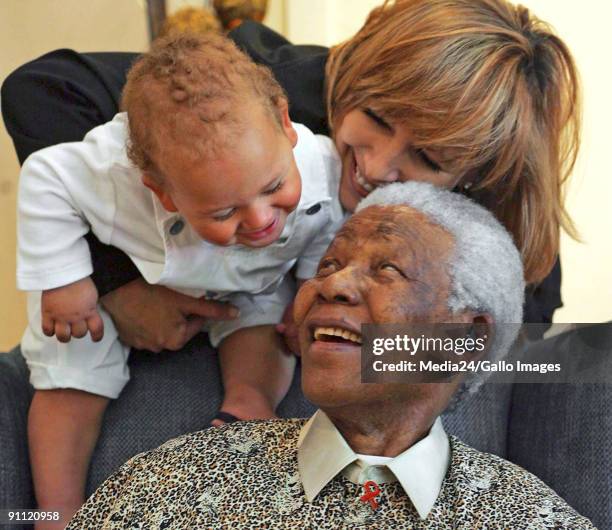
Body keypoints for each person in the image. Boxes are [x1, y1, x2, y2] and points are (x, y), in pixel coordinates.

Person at [1, 0, 581, 358]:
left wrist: (379, 352)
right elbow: (44, 89)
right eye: (374, 120)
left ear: (478, 173)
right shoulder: (266, 97)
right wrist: (116, 283)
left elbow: (526, 331)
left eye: (428, 159)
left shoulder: (500, 186)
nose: (375, 168)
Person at [65, 182, 595, 529]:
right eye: (327, 264)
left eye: (386, 270)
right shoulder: (169, 486)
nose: (333, 284)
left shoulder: (533, 519)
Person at [17, 33, 343, 527]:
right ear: (162, 190)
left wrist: (307, 295)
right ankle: (57, 511)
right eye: (225, 209)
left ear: (284, 125)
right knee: (71, 367)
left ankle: (249, 401)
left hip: (247, 278)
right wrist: (68, 280)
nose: (259, 220)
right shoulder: (109, 174)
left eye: (274, 187)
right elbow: (45, 176)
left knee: (263, 312)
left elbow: (326, 232)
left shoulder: (321, 165)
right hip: (112, 289)